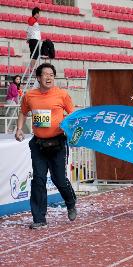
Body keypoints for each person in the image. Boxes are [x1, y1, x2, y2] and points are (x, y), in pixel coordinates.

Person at [15, 63, 77, 229]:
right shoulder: (29, 95)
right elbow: (23, 112)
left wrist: (70, 130)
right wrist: (19, 129)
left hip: (58, 143)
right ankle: (39, 218)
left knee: (59, 180)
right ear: (38, 77)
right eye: (46, 74)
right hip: (38, 144)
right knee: (38, 180)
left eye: (52, 75)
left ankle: (70, 202)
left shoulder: (62, 95)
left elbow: (73, 115)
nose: (49, 77)